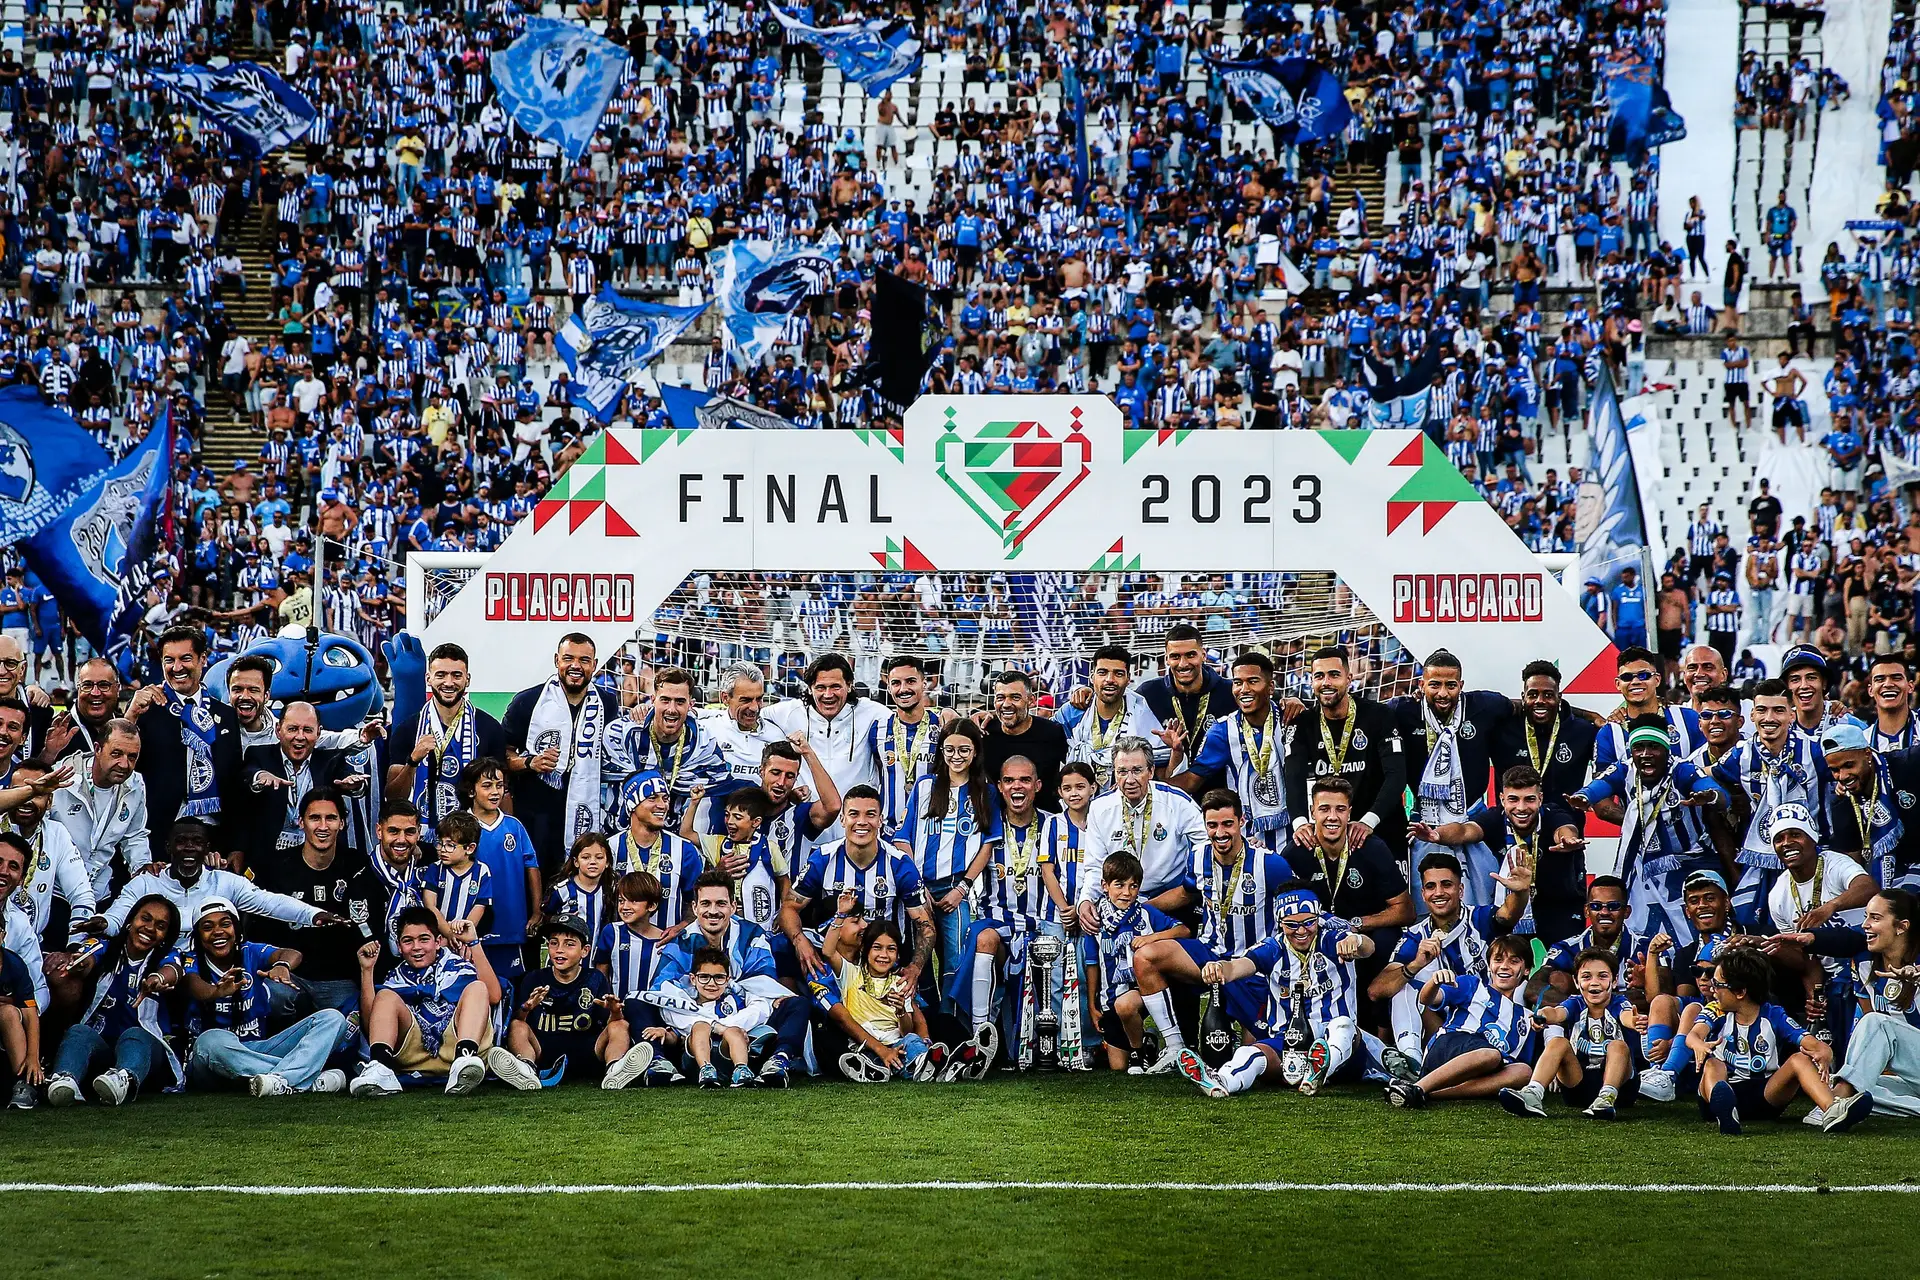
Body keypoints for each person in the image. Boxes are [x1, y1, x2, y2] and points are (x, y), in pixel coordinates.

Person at [1130, 791, 1292, 1070]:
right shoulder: (1198, 857)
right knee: (1145, 956)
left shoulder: (1270, 864)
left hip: (1253, 964)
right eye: (1212, 825)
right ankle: (1175, 1048)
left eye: (1227, 824)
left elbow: (1297, 906)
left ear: (1242, 821)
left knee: (1254, 1053)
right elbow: (1186, 893)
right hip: (1208, 953)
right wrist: (1139, 907)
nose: (1220, 833)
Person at [1179, 883, 1381, 1098]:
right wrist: (1219, 967)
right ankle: (1221, 1081)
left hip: (1342, 1048)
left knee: (1343, 1025)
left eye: (1309, 923)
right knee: (1250, 1053)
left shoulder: (1332, 939)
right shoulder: (1272, 949)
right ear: (1280, 923)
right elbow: (1238, 966)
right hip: (1289, 1043)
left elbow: (1368, 947)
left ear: (1317, 917)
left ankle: (1320, 1067)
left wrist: (1356, 940)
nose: (1301, 931)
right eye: (1292, 925)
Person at [1569, 714, 1730, 943]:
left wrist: (1710, 796)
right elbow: (1598, 786)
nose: (1645, 755)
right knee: (1643, 932)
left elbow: (1720, 795)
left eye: (1653, 747)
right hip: (1643, 865)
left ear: (1666, 750)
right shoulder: (1624, 770)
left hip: (1690, 861)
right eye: (1639, 748)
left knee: (1695, 931)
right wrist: (1584, 798)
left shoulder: (1682, 770)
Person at [1370, 849, 1534, 1065]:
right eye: (1430, 886)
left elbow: (1508, 914)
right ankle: (1411, 1059)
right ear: (1423, 895)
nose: (1438, 892)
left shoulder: (1479, 918)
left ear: (1461, 889)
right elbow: (1376, 991)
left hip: (1486, 1022)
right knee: (1403, 984)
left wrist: (1521, 894)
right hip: (1441, 1025)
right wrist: (1417, 963)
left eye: (1446, 884)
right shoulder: (1415, 935)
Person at [176, 898, 351, 1096]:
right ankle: (304, 1077)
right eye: (207, 927)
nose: (218, 932)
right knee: (211, 1040)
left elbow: (291, 953)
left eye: (226, 924)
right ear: (198, 935)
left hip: (258, 1049)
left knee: (332, 1018)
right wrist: (217, 992)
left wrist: (282, 966)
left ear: (237, 929)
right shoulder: (190, 958)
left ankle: (280, 1080)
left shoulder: (249, 951)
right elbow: (194, 986)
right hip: (212, 1058)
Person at [657, 871, 811, 1087]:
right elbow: (665, 992)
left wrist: (728, 1024)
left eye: (721, 903)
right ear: (694, 908)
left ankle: (779, 1060)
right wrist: (710, 1023)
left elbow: (762, 987)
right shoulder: (680, 941)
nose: (713, 911)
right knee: (638, 1003)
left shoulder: (752, 935)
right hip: (693, 1027)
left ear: (733, 906)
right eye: (706, 904)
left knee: (797, 1004)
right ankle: (658, 1061)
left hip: (745, 1022)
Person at [1391, 650, 1517, 904]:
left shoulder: (1485, 705)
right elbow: (1359, 713)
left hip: (1473, 821)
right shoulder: (1403, 711)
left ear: (1461, 685)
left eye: (1451, 685)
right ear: (1421, 684)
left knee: (1483, 904)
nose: (1443, 694)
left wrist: (1588, 716)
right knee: (1427, 904)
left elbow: (1532, 705)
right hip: (1425, 824)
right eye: (1434, 685)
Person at [897, 719, 1000, 1011]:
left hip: (957, 888)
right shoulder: (925, 785)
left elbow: (988, 844)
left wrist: (963, 888)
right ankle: (924, 1025)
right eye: (949, 749)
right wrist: (916, 887)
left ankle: (953, 1026)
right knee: (918, 955)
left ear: (976, 751)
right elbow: (903, 838)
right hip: (921, 888)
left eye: (964, 750)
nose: (956, 756)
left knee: (956, 959)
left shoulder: (985, 791)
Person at [487, 912, 654, 1090]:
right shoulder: (534, 978)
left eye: (569, 944)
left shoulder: (595, 978)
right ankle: (526, 1069)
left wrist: (614, 1012)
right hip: (544, 1050)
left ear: (585, 951)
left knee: (620, 1025)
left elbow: (609, 1024)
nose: (559, 949)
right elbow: (519, 1021)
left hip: (588, 1050)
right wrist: (527, 1008)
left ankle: (615, 1069)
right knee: (516, 1025)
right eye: (553, 943)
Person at [349, 905, 502, 1097]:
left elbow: (494, 995)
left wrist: (474, 943)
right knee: (385, 995)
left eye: (423, 939)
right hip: (412, 1055)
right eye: (408, 941)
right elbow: (371, 1024)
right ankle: (381, 1068)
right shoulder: (395, 978)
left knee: (478, 987)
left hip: (454, 1047)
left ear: (438, 941)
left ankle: (465, 1058)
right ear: (398, 945)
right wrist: (367, 971)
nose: (416, 948)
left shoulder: (458, 965)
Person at [44, 894, 183, 1106]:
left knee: (135, 1034)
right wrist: (82, 965)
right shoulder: (106, 947)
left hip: (146, 1052)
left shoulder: (169, 955)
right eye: (144, 918)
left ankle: (123, 1080)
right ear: (129, 921)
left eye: (160, 925)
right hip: (102, 1048)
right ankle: (65, 1080)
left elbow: (172, 970)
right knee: (78, 1032)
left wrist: (157, 979)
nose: (149, 928)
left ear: (165, 935)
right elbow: (87, 956)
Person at [502, 633, 623, 875]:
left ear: (595, 665)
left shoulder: (608, 703)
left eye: (584, 660)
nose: (576, 666)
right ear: (557, 660)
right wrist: (529, 762)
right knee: (536, 880)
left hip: (587, 810)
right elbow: (501, 755)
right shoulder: (528, 701)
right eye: (568, 658)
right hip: (536, 814)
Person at [1691, 945, 1836, 1134]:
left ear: (1740, 992)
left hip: (1765, 1095)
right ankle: (1726, 1112)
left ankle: (1833, 1110)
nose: (1713, 989)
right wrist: (1699, 1044)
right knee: (1713, 1065)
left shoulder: (1773, 1015)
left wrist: (1825, 1052)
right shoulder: (1715, 1009)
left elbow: (1812, 1043)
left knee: (1800, 1059)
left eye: (1718, 984)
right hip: (1723, 1090)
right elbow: (1693, 1035)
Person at [1383, 932, 1538, 1108]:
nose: (1504, 966)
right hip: (1450, 1047)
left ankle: (1425, 1092)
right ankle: (1419, 1087)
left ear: (1526, 970)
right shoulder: (1472, 985)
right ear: (1489, 966)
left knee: (1523, 1071)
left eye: (1514, 961)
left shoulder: (1527, 1018)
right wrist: (1435, 982)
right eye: (1498, 960)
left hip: (1482, 1070)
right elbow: (1427, 999)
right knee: (1491, 1054)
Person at [1283, 646, 1408, 858]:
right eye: (1319, 676)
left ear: (1349, 679)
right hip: (1332, 834)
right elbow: (1292, 777)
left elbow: (1396, 775)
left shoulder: (1380, 716)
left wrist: (1368, 821)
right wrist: (1301, 822)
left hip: (1381, 828)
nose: (1326, 683)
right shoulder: (1303, 724)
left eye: (1334, 675)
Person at [1074, 737, 1206, 934]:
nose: (1130, 780)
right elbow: (1095, 866)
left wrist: (1189, 886)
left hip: (1170, 899)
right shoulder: (1099, 807)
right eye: (1122, 772)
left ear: (1151, 772)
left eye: (1137, 770)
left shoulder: (1177, 802)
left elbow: (1205, 846)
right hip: (1120, 900)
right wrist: (1085, 900)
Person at [1500, 947, 1647, 1120]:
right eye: (1586, 977)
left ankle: (1606, 1098)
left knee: (1618, 1046)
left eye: (1602, 976)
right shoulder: (1575, 1003)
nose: (1594, 982)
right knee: (1558, 1042)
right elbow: (1556, 1013)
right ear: (1576, 982)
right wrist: (1542, 1016)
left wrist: (1635, 1022)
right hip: (1578, 1085)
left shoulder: (1619, 1003)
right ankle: (1533, 1093)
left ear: (1614, 981)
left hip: (1621, 1090)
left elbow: (1626, 1016)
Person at [132, 625, 243, 854]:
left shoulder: (226, 714)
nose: (177, 668)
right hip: (161, 836)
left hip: (215, 837)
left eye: (185, 659)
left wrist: (236, 848)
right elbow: (123, 762)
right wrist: (131, 714)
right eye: (168, 660)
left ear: (203, 659)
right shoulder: (146, 710)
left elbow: (234, 784)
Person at [386, 642, 506, 850]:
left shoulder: (489, 728)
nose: (448, 683)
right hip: (423, 842)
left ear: (467, 680)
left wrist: (503, 839)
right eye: (441, 675)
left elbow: (503, 793)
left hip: (475, 840)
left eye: (456, 675)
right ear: (428, 678)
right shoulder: (408, 729)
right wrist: (413, 761)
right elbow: (393, 796)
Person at [1171, 650, 1291, 851]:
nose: (1244, 689)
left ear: (1270, 687)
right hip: (1246, 839)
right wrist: (1150, 784)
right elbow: (1192, 781)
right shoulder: (1222, 730)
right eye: (1237, 682)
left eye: (1253, 681)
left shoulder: (1290, 718)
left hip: (1294, 834)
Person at [237, 701, 367, 876]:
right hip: (268, 859)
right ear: (278, 730)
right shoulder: (259, 754)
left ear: (318, 732)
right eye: (292, 729)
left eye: (307, 730)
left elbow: (349, 778)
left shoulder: (329, 759)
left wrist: (355, 785)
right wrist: (259, 777)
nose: (300, 737)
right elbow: (248, 773)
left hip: (318, 859)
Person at [1090, 851, 1188, 1071]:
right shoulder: (1096, 920)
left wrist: (1151, 938)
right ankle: (1148, 1041)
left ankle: (1138, 1053)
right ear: (1105, 886)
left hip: (1143, 990)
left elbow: (1183, 930)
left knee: (1126, 1005)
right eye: (1120, 885)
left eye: (1133, 886)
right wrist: (1091, 1004)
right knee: (1117, 1066)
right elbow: (1092, 964)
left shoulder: (1146, 913)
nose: (1127, 893)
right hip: (1111, 994)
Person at [823, 918, 945, 1083]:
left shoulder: (900, 983)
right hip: (865, 1044)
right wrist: (840, 915)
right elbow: (828, 951)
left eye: (891, 949)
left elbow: (906, 1031)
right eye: (877, 948)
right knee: (861, 1054)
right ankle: (915, 1067)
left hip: (897, 1043)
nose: (884, 955)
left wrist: (901, 1011)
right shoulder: (850, 973)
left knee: (912, 1041)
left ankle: (920, 1064)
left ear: (898, 955)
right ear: (865, 950)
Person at [607, 666, 725, 829]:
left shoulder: (703, 744)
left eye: (680, 702)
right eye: (665, 700)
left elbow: (722, 784)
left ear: (691, 705)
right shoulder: (624, 734)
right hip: (620, 835)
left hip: (673, 838)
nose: (672, 709)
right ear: (652, 699)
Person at [47, 717, 150, 902]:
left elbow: (135, 836)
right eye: (116, 754)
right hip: (54, 892)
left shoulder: (135, 785)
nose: (124, 764)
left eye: (132, 757)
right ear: (97, 749)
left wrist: (142, 867)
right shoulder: (61, 777)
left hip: (99, 893)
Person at [462, 756, 541, 991]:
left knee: (511, 990)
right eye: (487, 786)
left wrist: (536, 911)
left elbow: (532, 867)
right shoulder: (460, 826)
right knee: (476, 988)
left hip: (511, 926)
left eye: (499, 785)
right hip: (471, 929)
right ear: (471, 791)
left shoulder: (514, 826)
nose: (495, 791)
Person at [866, 655, 952, 840]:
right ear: (888, 686)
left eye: (911, 681)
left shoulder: (944, 725)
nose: (903, 689)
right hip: (889, 834)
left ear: (924, 683)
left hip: (933, 833)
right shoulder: (877, 729)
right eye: (896, 683)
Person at [1066, 644, 1166, 793]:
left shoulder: (1141, 714)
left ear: (1128, 679)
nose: (1110, 679)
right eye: (1102, 672)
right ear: (1092, 677)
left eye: (1118, 674)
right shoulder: (1073, 711)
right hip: (1079, 804)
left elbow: (1161, 765)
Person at [976, 669, 1070, 811]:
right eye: (1000, 698)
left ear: (1031, 701)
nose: (1006, 704)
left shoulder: (1052, 733)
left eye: (1015, 697)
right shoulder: (984, 732)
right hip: (996, 823)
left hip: (1045, 820)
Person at [422, 809, 493, 942]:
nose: (443, 849)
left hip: (466, 938)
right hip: (438, 939)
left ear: (470, 848)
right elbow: (430, 905)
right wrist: (448, 934)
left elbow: (480, 906)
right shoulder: (435, 869)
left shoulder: (482, 872)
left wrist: (464, 935)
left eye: (450, 845)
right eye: (440, 843)